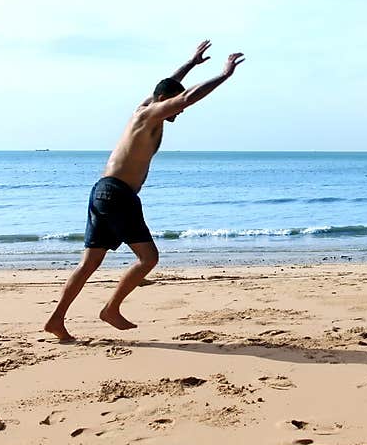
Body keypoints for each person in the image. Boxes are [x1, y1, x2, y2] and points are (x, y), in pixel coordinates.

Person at [44, 40, 245, 342]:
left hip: (103, 191)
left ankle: (57, 320)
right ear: (163, 99)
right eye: (172, 104)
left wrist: (191, 62)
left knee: (89, 263)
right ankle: (111, 308)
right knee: (148, 259)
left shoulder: (144, 109)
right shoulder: (149, 114)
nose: (177, 111)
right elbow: (186, 96)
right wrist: (224, 75)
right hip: (118, 195)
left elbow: (171, 87)